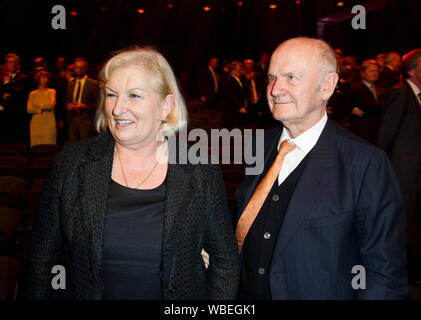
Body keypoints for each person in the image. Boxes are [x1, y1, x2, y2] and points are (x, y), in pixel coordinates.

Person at [25, 47, 239, 300]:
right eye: (111, 95)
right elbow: (43, 259)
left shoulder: (199, 168)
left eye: (134, 95)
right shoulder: (71, 162)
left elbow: (224, 260)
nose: (117, 109)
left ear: (165, 106)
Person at [235, 37, 407, 299]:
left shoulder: (365, 163)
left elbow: (385, 276)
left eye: (291, 77)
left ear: (327, 85)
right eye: (271, 78)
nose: (275, 90)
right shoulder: (259, 146)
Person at [378, 49, 421, 284]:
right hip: (403, 173)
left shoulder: (417, 95)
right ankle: (404, 273)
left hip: (415, 172)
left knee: (414, 222)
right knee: (404, 223)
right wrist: (381, 172)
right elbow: (385, 136)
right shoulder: (400, 94)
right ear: (412, 70)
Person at [348, 59, 385, 144]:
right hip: (362, 130)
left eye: (377, 71)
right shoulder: (356, 87)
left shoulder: (381, 90)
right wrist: (384, 106)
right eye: (371, 71)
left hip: (376, 130)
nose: (375, 73)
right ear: (362, 73)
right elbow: (367, 105)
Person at [64, 57, 99, 142]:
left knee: (85, 145)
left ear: (85, 69)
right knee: (73, 146)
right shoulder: (70, 84)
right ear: (74, 68)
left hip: (86, 119)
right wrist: (68, 106)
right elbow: (66, 101)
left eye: (81, 67)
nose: (79, 70)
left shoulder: (93, 84)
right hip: (72, 118)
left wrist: (85, 106)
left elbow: (99, 104)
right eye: (77, 67)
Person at [0, 53, 30, 144]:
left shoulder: (23, 78)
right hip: (3, 115)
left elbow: (18, 93)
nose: (12, 64)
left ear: (18, 64)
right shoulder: (2, 77)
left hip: (17, 116)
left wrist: (7, 84)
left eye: (14, 62)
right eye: (10, 62)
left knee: (16, 143)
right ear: (6, 64)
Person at [27, 71, 57, 147]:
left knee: (49, 146)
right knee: (36, 146)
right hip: (36, 122)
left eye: (47, 78)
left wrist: (38, 106)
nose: (45, 80)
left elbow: (51, 105)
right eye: (43, 78)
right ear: (38, 79)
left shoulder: (51, 91)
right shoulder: (32, 93)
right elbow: (29, 109)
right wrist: (39, 110)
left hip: (49, 122)